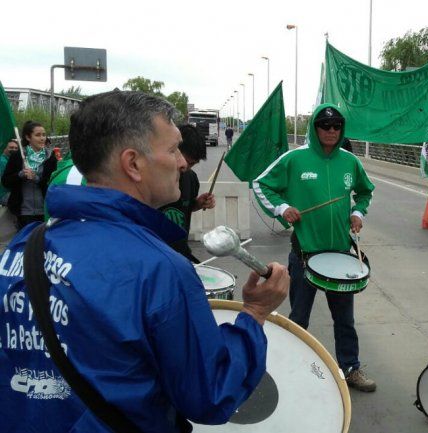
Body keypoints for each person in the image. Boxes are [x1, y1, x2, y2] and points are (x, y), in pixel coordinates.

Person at [0, 91, 289, 432]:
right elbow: (210, 395)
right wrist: (254, 314)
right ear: (133, 163)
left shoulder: (23, 247)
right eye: (172, 149)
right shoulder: (159, 269)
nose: (182, 162)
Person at [254, 104, 377, 392]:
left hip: (339, 256)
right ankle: (290, 368)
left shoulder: (350, 161)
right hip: (304, 255)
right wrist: (282, 207)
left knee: (345, 321)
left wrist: (358, 212)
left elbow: (365, 191)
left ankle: (350, 368)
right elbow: (261, 185)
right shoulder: (295, 159)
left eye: (336, 126)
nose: (331, 131)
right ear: (315, 127)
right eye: (325, 125)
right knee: (298, 318)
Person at [159, 124, 215, 262]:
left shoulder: (191, 178)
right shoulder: (154, 178)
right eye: (186, 162)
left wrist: (198, 203)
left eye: (192, 164)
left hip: (180, 253)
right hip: (156, 254)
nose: (185, 167)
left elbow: (186, 208)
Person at [1, 120, 58, 231]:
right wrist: (20, 174)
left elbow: (53, 184)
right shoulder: (18, 156)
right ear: (28, 137)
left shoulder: (51, 158)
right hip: (23, 211)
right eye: (38, 135)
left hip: (45, 210)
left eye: (44, 135)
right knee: (26, 244)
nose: (42, 138)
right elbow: (5, 181)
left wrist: (36, 179)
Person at [0, 139, 20, 205]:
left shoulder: (11, 160)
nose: (14, 150)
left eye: (16, 148)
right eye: (11, 147)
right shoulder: (2, 162)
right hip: (4, 195)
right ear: (5, 148)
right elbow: (6, 182)